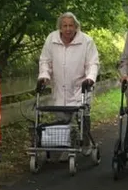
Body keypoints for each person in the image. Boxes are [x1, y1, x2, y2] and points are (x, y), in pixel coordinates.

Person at [37, 12, 99, 151]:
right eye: (64, 25)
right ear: (60, 27)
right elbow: (45, 61)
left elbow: (92, 63)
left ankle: (85, 143)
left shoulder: (86, 41)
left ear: (76, 27)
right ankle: (67, 146)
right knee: (62, 119)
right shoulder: (51, 39)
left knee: (83, 116)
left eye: (71, 25)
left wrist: (90, 78)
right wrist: (44, 75)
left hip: (80, 87)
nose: (68, 29)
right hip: (59, 87)